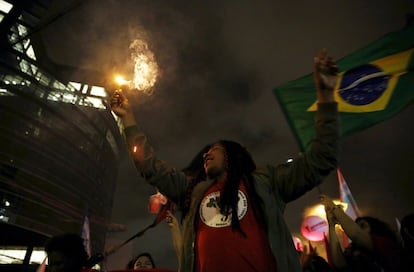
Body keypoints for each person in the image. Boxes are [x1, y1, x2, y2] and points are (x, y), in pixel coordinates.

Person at [110, 49, 340, 272]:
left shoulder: (267, 183)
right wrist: (128, 119)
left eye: (215, 149)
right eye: (205, 152)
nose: (205, 154)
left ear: (232, 155)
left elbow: (321, 160)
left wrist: (326, 99)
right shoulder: (191, 190)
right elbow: (149, 166)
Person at [321, 194, 403, 272]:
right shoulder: (354, 250)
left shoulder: (385, 243)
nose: (358, 228)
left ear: (375, 227)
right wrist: (331, 225)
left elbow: (355, 233)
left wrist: (333, 207)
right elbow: (339, 262)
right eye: (357, 226)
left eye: (363, 225)